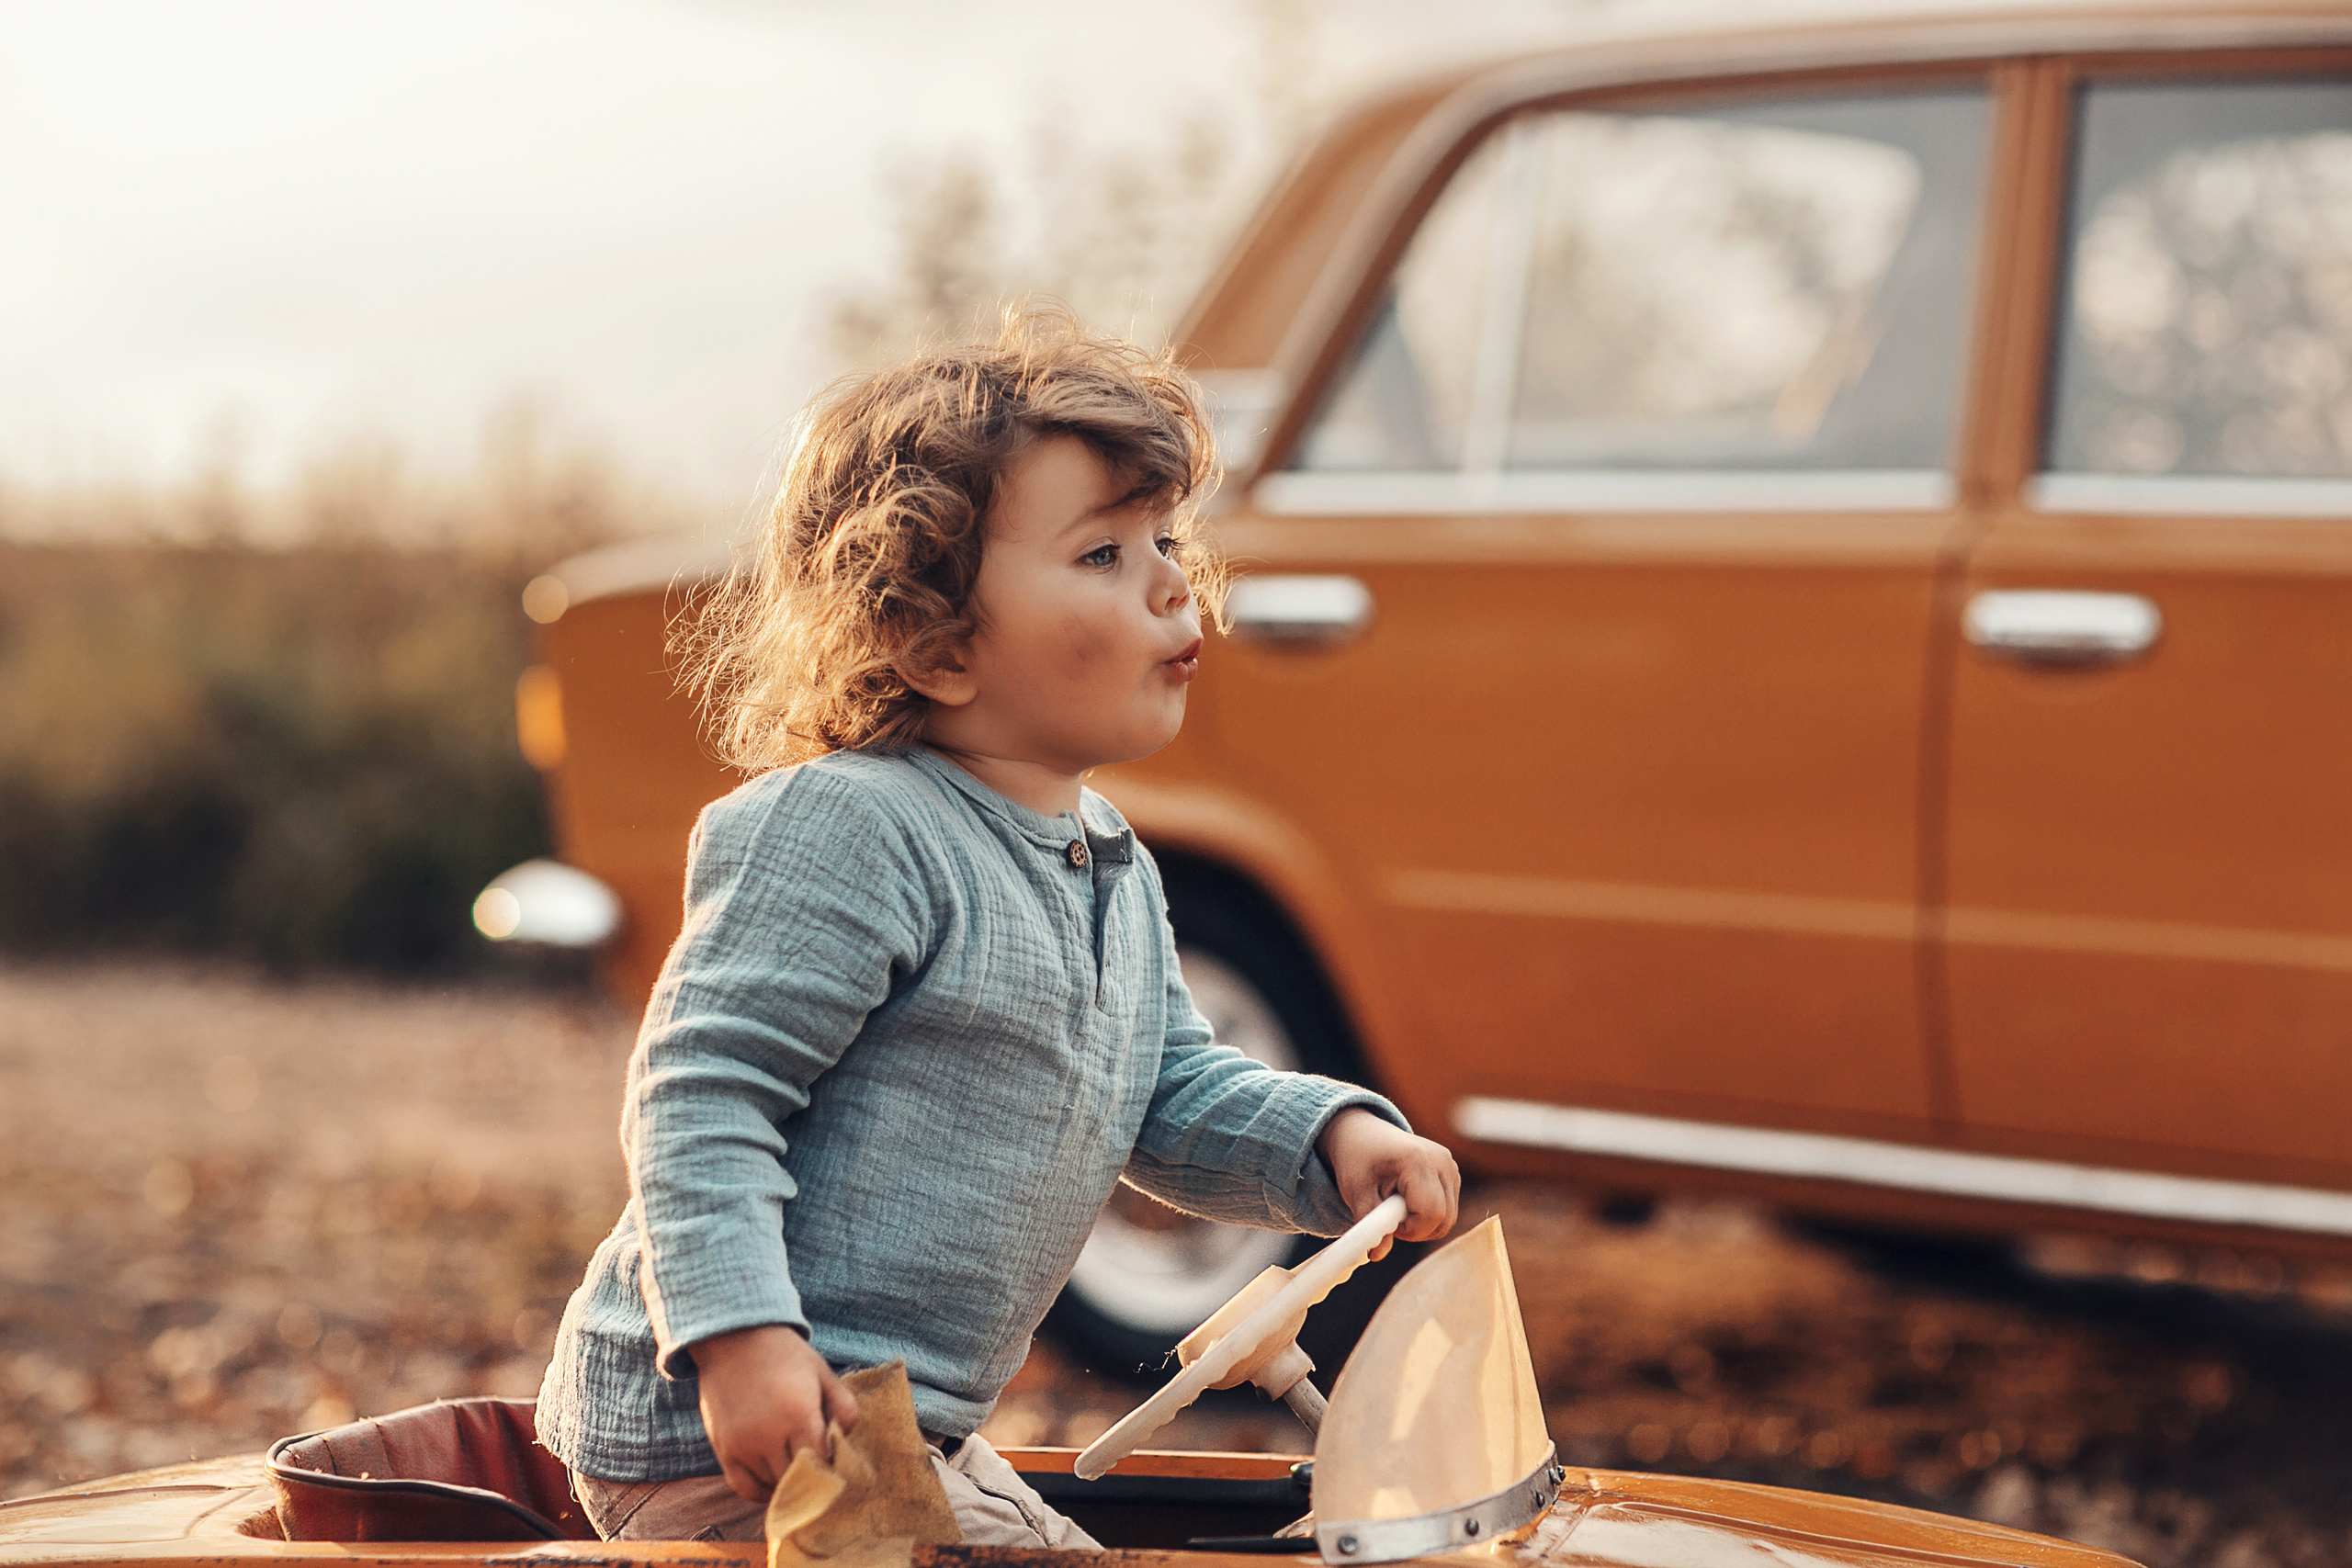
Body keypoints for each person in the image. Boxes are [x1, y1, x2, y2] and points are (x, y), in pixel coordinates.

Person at [535, 307, 1461, 1547]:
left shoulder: (1111, 858)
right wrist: (740, 1339)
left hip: (902, 1431)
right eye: (1101, 555)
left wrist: (1329, 1135)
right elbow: (702, 1090)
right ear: (932, 642)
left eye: (1165, 537)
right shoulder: (851, 826)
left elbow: (1165, 1090)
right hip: (742, 1429)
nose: (1174, 581)